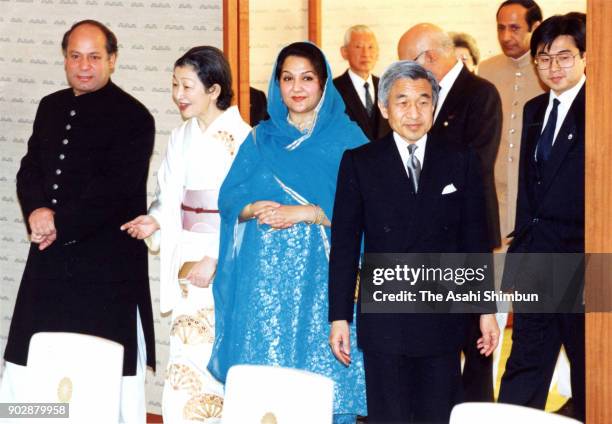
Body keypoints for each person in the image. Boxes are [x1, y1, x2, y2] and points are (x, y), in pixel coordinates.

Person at [0, 19, 156, 422]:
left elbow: (114, 193)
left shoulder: (135, 118)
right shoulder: (49, 106)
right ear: (65, 59)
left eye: (94, 56)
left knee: (95, 380)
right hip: (49, 264)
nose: (84, 65)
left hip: (105, 271)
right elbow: (29, 169)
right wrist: (35, 209)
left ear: (113, 60)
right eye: (75, 56)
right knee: (32, 370)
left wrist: (57, 224)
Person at [328, 60, 500, 424]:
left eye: (423, 102)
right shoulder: (360, 162)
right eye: (402, 102)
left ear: (434, 108)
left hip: (441, 318)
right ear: (384, 108)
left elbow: (475, 239)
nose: (414, 113)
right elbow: (344, 245)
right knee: (389, 415)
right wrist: (339, 317)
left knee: (438, 413)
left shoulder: (460, 159)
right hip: (385, 319)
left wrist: (486, 311)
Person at [208, 42, 367, 424]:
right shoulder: (261, 138)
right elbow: (229, 198)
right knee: (264, 373)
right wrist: (252, 208)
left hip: (320, 278)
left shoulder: (349, 140)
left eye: (307, 78)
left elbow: (368, 210)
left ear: (324, 83)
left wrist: (309, 212)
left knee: (316, 376)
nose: (297, 88)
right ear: (277, 84)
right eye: (287, 78)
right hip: (262, 281)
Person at [121, 46, 250, 422]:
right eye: (174, 85)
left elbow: (244, 209)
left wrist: (214, 257)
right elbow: (168, 196)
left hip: (223, 262)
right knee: (184, 358)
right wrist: (156, 221)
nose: (178, 94)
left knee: (217, 359)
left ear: (214, 90)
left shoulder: (242, 138)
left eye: (187, 86)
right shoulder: (180, 137)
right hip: (185, 260)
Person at [398, 23, 503, 402]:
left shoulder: (480, 93)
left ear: (427, 58)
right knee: (434, 340)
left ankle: (474, 412)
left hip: (465, 237)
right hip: (423, 242)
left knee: (476, 343)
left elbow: (474, 167)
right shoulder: (417, 97)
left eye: (405, 62)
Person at [498, 13, 586, 422]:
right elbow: (527, 192)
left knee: (590, 370)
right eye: (544, 58)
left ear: (586, 57)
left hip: (584, 262)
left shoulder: (600, 108)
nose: (553, 68)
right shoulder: (534, 108)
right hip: (536, 262)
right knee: (524, 368)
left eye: (564, 57)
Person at [479, 0, 544, 252]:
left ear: (535, 27)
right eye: (501, 28)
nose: (506, 36)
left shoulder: (549, 69)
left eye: (515, 28)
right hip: (494, 195)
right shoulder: (486, 69)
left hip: (533, 196)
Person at [333, 25, 390, 141]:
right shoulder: (333, 90)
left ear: (377, 53)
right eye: (358, 47)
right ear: (344, 52)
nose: (365, 53)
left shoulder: (388, 87)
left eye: (370, 47)